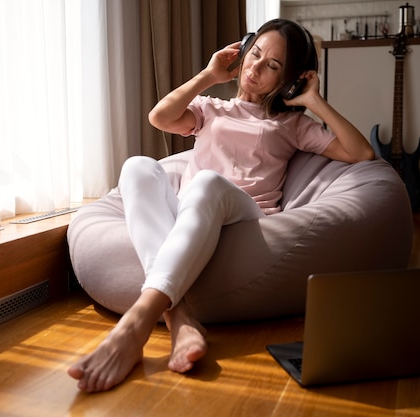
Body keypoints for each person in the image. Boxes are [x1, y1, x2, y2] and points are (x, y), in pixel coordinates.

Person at [68, 18, 375, 393]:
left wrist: (312, 99)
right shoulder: (212, 108)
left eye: (273, 66)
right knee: (137, 166)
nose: (255, 68)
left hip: (245, 220)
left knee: (207, 183)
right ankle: (179, 317)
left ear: (290, 79)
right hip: (190, 217)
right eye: (255, 54)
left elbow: (360, 152)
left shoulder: (291, 124)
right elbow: (159, 117)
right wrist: (208, 75)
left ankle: (136, 323)